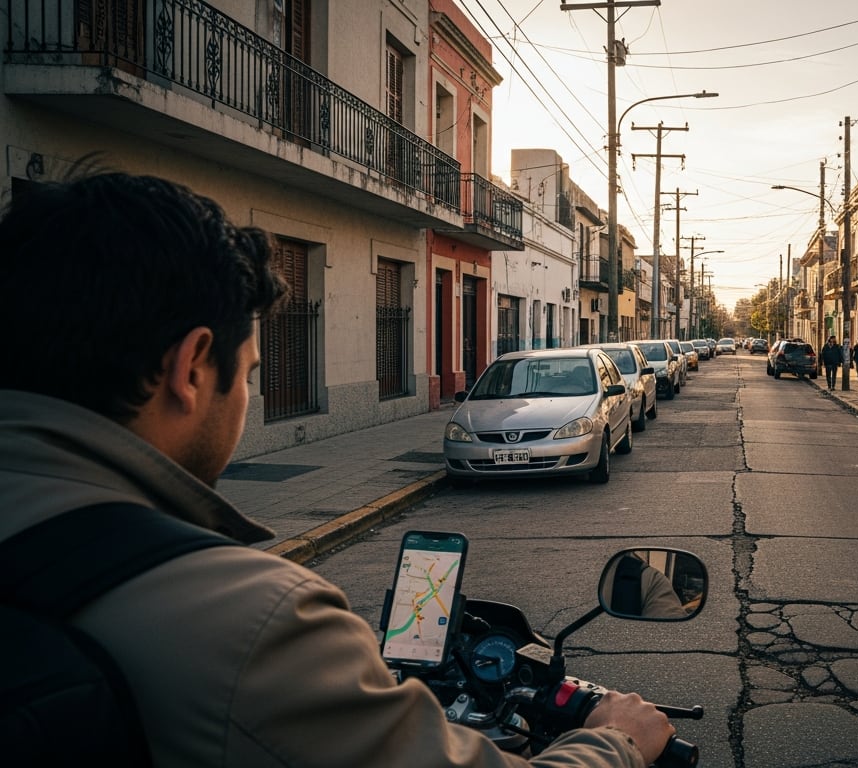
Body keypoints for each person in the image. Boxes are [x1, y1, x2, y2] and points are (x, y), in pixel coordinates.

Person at [0, 170, 672, 767]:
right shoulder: (253, 621)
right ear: (193, 368)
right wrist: (616, 742)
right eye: (250, 373)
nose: (245, 396)